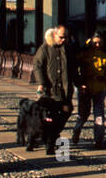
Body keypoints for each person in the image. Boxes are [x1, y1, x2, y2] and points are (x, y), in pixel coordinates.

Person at [31, 24, 76, 155]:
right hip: (51, 90)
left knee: (67, 111)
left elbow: (73, 67)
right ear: (54, 35)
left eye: (65, 37)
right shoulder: (45, 48)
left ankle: (51, 135)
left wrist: (78, 82)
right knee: (51, 117)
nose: (64, 40)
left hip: (65, 90)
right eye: (61, 37)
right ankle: (49, 144)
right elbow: (37, 65)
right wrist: (41, 83)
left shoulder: (68, 48)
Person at [73, 32, 106, 147]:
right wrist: (79, 83)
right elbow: (75, 69)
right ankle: (77, 129)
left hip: (100, 88)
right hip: (86, 87)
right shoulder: (83, 53)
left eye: (99, 42)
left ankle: (99, 140)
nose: (97, 45)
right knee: (83, 114)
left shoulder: (105, 54)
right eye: (95, 42)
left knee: (99, 115)